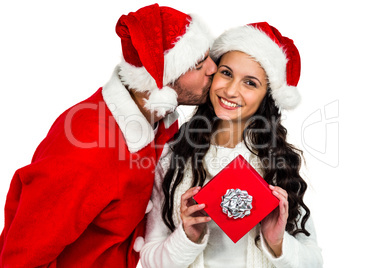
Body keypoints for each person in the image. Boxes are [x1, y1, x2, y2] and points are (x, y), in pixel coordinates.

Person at [0, 4, 216, 267]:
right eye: (197, 63)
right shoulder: (86, 151)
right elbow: (22, 258)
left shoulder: (160, 120)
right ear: (160, 79)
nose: (213, 68)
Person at [140, 21, 323, 267]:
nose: (231, 90)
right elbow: (150, 258)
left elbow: (314, 261)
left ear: (266, 97)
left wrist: (277, 242)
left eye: (250, 83)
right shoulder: (174, 155)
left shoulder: (278, 162)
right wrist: (187, 238)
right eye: (226, 73)